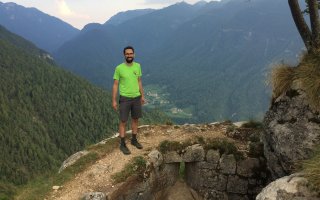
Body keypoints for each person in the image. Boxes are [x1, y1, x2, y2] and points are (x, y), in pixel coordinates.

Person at [112, 46, 145, 155]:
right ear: (124, 55)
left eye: (131, 54)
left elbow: (139, 81)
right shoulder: (119, 68)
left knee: (135, 119)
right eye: (127, 54)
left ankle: (134, 140)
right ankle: (122, 144)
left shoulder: (138, 66)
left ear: (134, 54)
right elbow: (115, 84)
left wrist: (142, 96)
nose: (129, 55)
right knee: (123, 121)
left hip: (136, 97)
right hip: (125, 98)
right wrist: (114, 100)